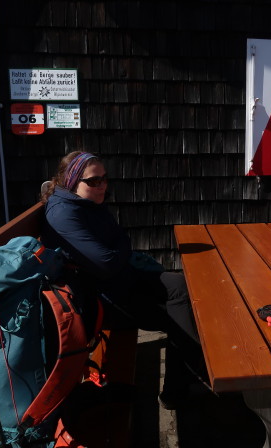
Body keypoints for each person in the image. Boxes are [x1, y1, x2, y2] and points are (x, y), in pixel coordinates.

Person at [41, 151, 207, 410]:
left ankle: (189, 372)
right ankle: (179, 387)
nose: (102, 185)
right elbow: (107, 263)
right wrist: (119, 250)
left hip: (122, 281)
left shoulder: (87, 204)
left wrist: (117, 251)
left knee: (184, 287)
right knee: (185, 316)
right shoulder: (64, 214)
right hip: (104, 301)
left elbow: (119, 243)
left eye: (105, 179)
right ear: (73, 181)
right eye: (94, 181)